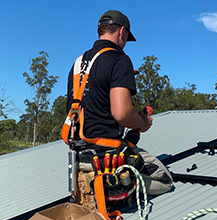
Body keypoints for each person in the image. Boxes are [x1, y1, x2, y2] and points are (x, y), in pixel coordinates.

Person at [66, 10, 173, 208]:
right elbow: (122, 113)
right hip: (105, 157)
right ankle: (118, 186)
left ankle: (91, 184)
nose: (124, 43)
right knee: (165, 179)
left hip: (78, 156)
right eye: (125, 39)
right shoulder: (119, 59)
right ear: (122, 31)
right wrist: (142, 123)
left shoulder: (78, 64)